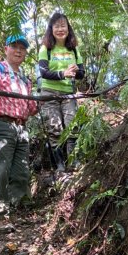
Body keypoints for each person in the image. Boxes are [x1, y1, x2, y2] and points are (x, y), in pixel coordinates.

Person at [0, 34, 38, 231]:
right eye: (14, 46)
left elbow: (31, 107)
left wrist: (46, 100)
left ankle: (21, 210)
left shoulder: (25, 78)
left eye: (22, 47)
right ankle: (1, 216)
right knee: (0, 172)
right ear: (6, 49)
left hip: (21, 128)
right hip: (2, 125)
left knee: (21, 172)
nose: (18, 50)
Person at [38, 12, 85, 172]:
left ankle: (73, 161)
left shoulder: (74, 49)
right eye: (56, 26)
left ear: (68, 28)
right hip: (49, 93)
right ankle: (59, 165)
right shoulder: (46, 48)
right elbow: (43, 72)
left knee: (72, 126)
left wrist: (75, 71)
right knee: (54, 129)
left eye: (63, 25)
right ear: (51, 29)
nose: (60, 29)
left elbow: (81, 74)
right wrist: (62, 73)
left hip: (68, 93)